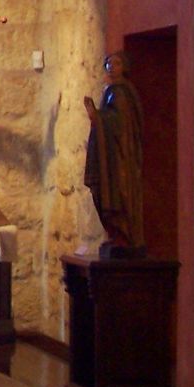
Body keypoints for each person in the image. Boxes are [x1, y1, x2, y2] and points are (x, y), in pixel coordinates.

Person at [83, 51, 145, 255]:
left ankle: (125, 236)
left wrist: (97, 117)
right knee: (104, 192)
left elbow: (120, 123)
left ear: (124, 67)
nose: (112, 67)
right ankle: (117, 235)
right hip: (111, 154)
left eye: (116, 63)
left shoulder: (121, 93)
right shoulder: (112, 91)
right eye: (109, 64)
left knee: (118, 193)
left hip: (120, 156)